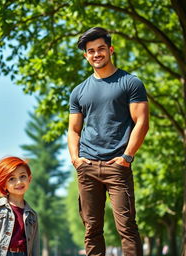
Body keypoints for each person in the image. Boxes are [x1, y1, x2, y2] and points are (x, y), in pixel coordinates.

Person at [68, 27, 149, 256]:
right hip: (88, 167)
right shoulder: (78, 91)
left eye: (101, 49)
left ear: (110, 50)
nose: (96, 54)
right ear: (86, 55)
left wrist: (127, 157)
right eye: (90, 51)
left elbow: (142, 122)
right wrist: (76, 160)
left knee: (127, 228)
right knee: (91, 229)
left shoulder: (130, 83)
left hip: (117, 167)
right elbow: (73, 130)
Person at [0, 156, 39, 256]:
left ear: (29, 179)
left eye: (23, 176)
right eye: (12, 179)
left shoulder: (32, 215)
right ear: (3, 184)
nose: (19, 182)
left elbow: (35, 247)